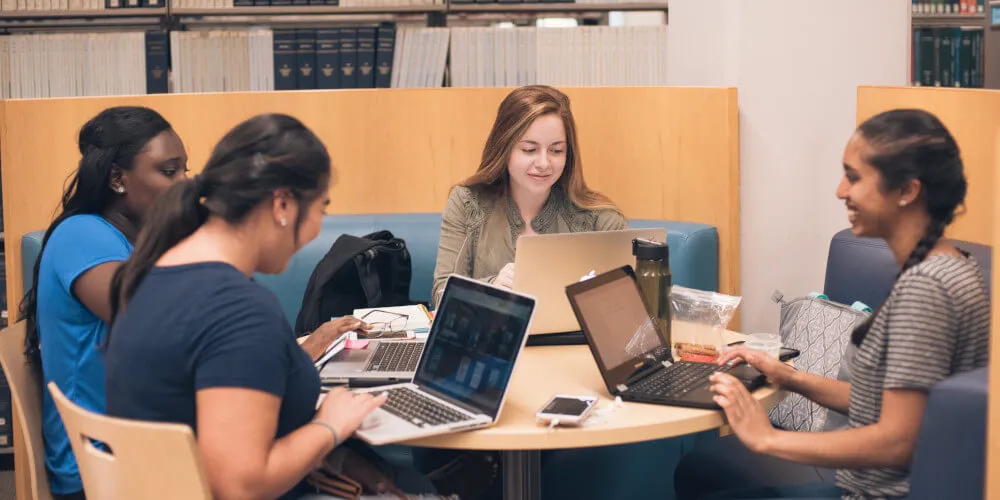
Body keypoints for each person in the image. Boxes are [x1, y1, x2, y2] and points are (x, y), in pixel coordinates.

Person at [104, 113, 433, 500]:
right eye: (321, 209)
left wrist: (328, 456)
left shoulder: (153, 274)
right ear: (282, 205)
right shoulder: (236, 309)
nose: (315, 232)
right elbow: (241, 485)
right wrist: (329, 427)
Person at [679, 109, 989, 500]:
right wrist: (788, 376)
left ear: (907, 191)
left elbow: (898, 441)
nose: (841, 191)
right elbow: (886, 404)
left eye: (855, 177)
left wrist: (765, 439)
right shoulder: (954, 264)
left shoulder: (926, 290)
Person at [18, 106, 188, 500]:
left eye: (185, 170)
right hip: (99, 468)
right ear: (117, 179)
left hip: (141, 449)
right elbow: (154, 323)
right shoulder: (83, 235)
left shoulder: (135, 240)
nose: (184, 184)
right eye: (168, 171)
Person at [431, 85, 626, 307]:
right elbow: (441, 295)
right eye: (529, 150)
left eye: (556, 150)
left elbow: (630, 307)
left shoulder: (601, 219)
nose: (543, 163)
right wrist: (491, 287)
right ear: (504, 149)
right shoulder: (467, 203)